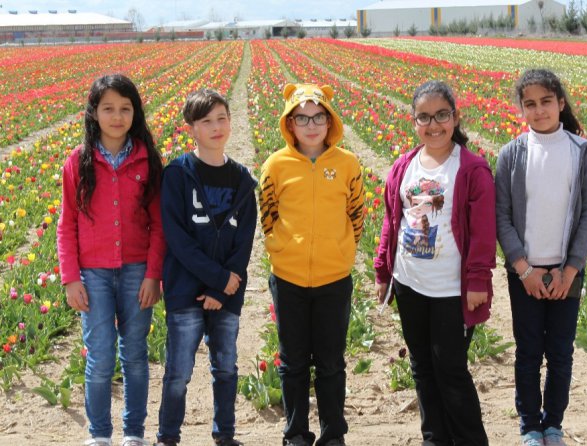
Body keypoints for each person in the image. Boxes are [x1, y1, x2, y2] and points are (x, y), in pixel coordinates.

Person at [373, 80, 495, 446]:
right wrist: (383, 271)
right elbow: (391, 220)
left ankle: (470, 441)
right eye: (424, 117)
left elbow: (484, 233)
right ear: (414, 122)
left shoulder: (471, 169)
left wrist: (477, 281)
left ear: (455, 118)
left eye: (442, 115)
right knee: (422, 368)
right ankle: (434, 439)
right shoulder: (404, 166)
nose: (434, 124)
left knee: (451, 371)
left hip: (450, 289)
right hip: (410, 283)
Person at [57, 74, 165, 446]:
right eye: (108, 109)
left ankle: (133, 432)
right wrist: (70, 277)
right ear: (94, 113)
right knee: (100, 356)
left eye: (125, 108)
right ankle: (99, 434)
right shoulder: (78, 162)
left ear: (135, 113)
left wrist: (154, 275)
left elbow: (159, 224)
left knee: (135, 354)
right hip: (93, 273)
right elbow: (66, 223)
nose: (117, 116)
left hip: (137, 271)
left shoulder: (147, 159)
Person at [495, 69, 587, 446]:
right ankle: (529, 427)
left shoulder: (581, 151)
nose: (539, 111)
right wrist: (524, 269)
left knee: (559, 352)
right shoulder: (511, 154)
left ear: (561, 103)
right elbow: (502, 217)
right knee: (527, 352)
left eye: (546, 102)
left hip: (566, 273)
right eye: (530, 104)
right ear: (521, 109)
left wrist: (570, 270)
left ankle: (552, 423)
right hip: (525, 273)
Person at [259, 83, 365, 446]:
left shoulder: (348, 164)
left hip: (334, 276)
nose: (311, 125)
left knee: (332, 362)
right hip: (288, 277)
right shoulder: (275, 165)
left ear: (330, 119)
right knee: (293, 362)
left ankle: (334, 434)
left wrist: (341, 250)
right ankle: (296, 434)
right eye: (301, 118)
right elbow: (268, 216)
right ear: (289, 124)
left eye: (318, 116)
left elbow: (356, 216)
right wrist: (281, 247)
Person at [154, 89, 257, 446]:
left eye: (221, 118)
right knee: (179, 371)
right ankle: (168, 436)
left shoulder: (242, 180)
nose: (216, 127)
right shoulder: (178, 175)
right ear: (192, 129)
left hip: (226, 293)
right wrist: (216, 280)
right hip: (185, 289)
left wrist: (221, 289)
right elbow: (178, 240)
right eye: (206, 121)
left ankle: (224, 434)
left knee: (226, 367)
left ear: (230, 122)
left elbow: (244, 241)